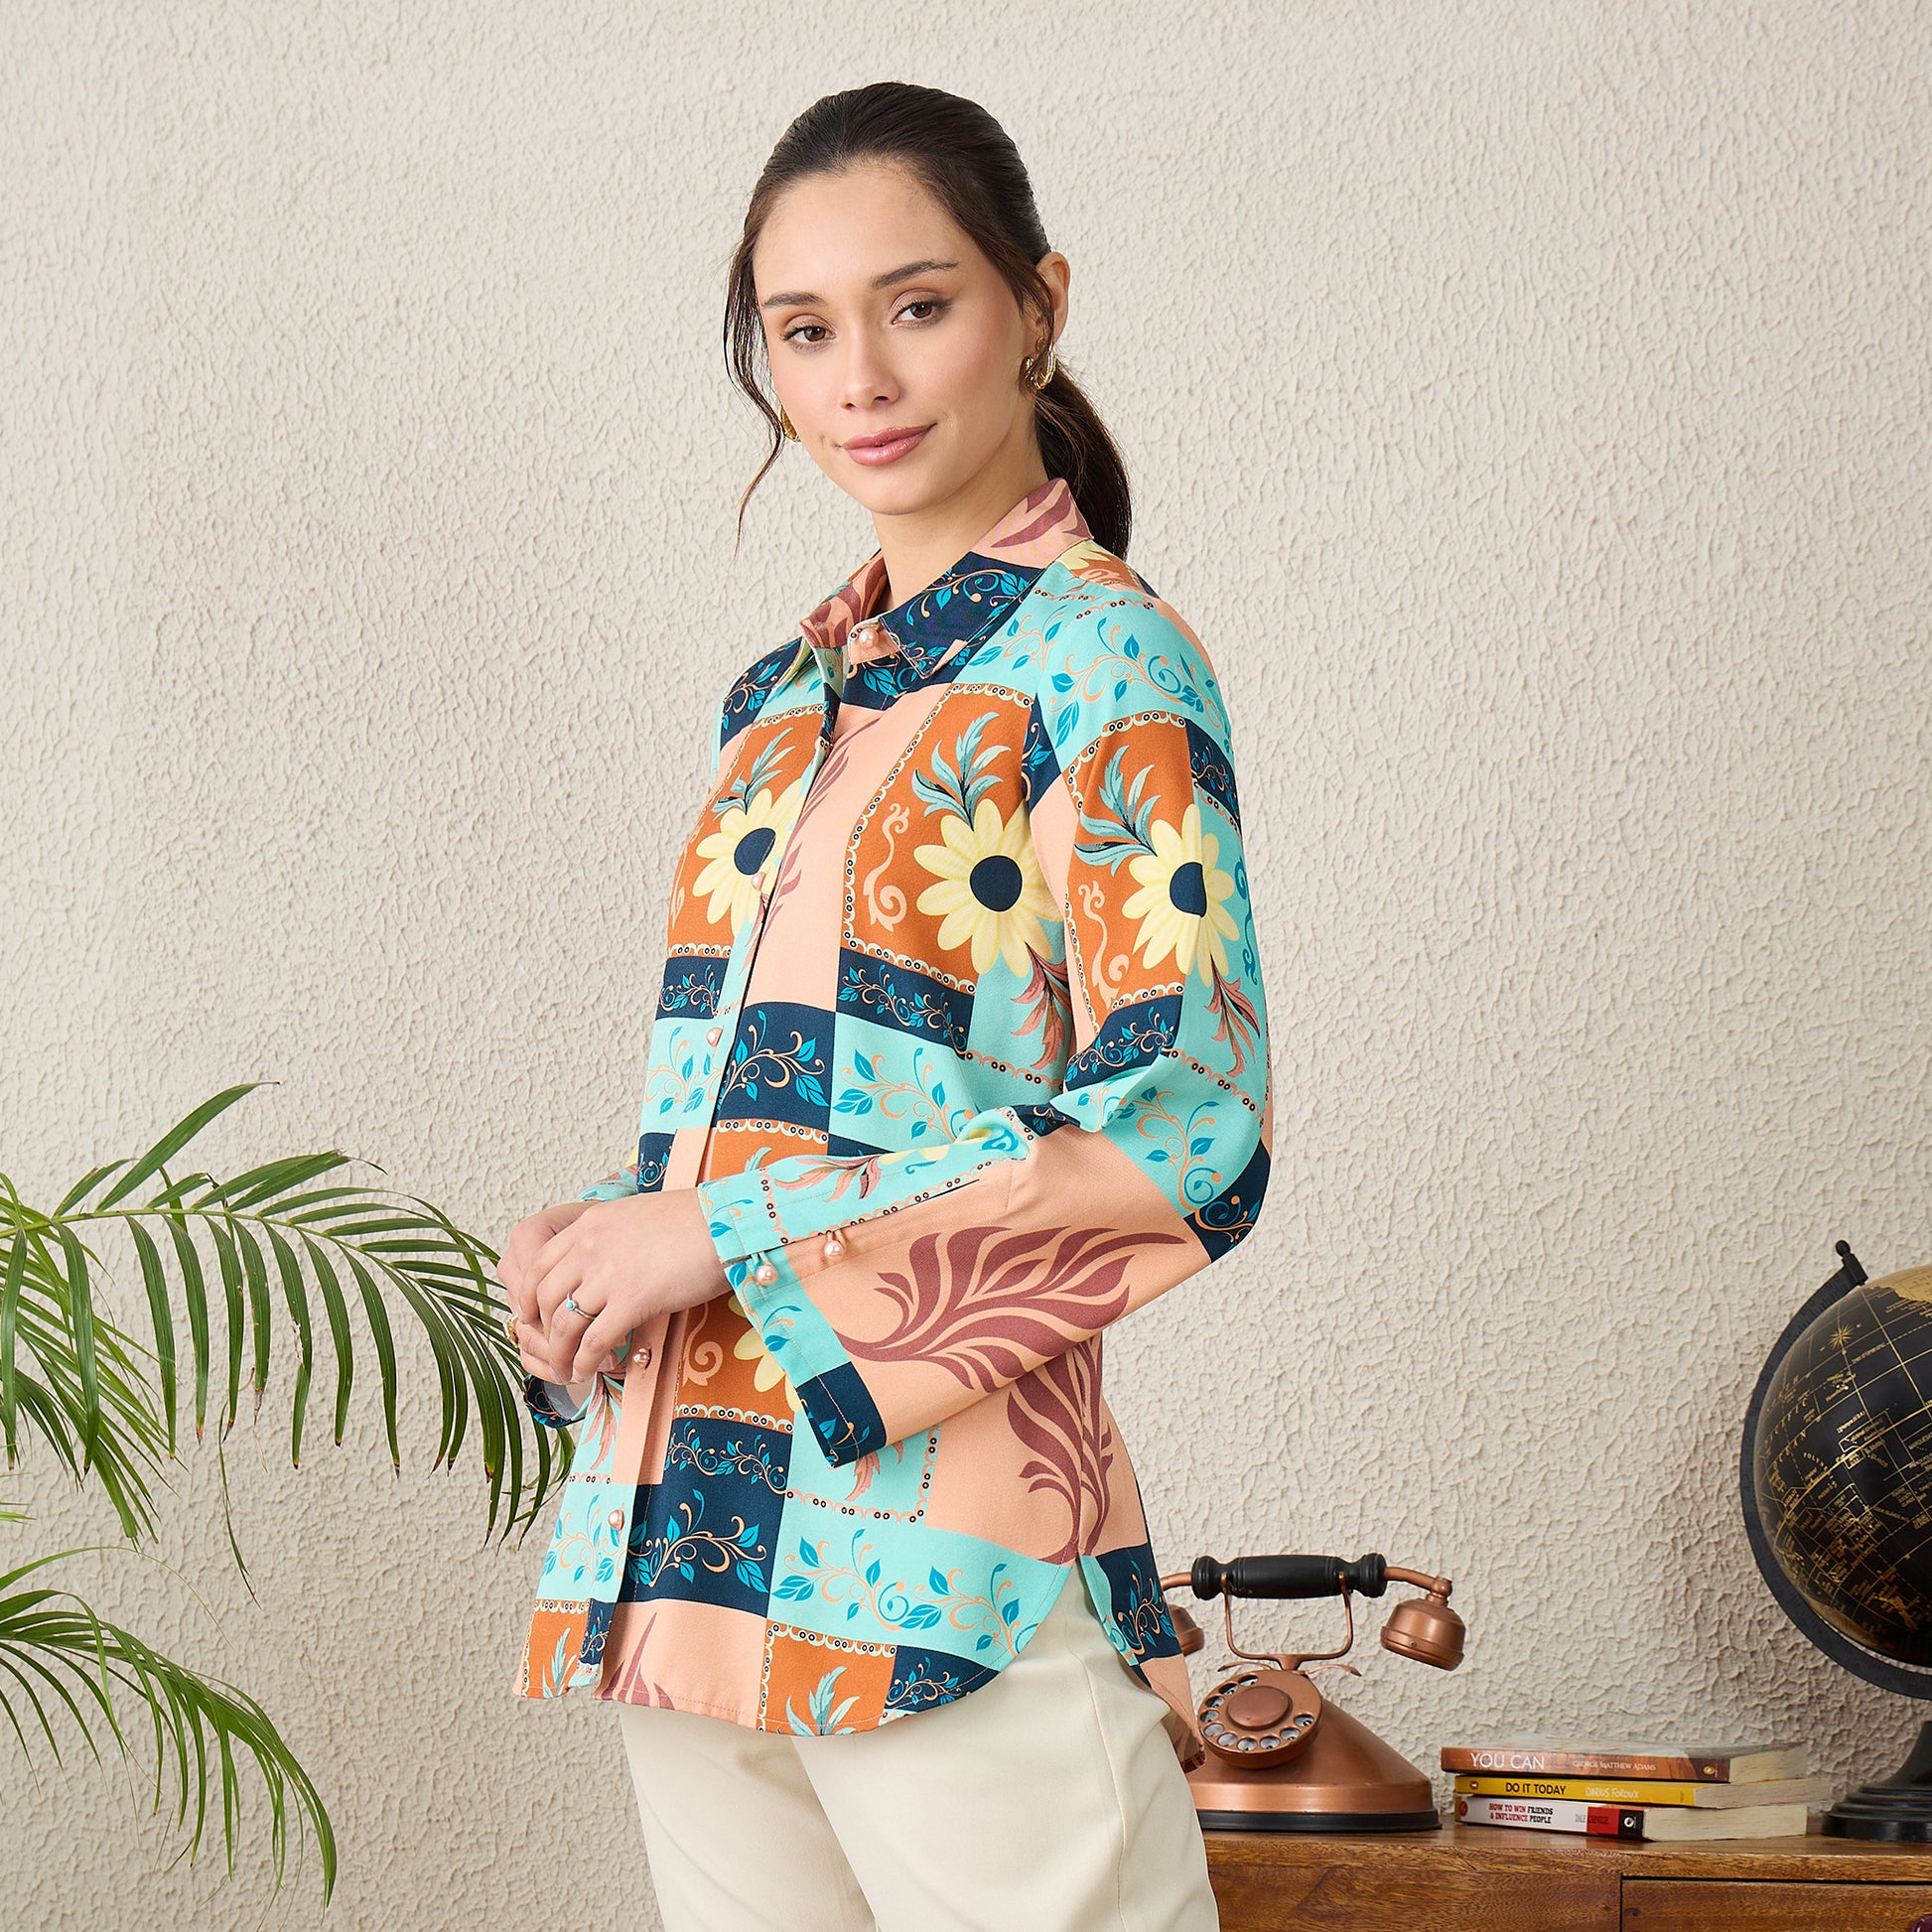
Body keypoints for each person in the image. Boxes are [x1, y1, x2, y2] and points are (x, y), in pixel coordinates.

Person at [496, 79, 1271, 1932]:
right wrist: (610, 1232)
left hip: (943, 1552)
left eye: (916, 306)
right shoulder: (778, 702)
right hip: (695, 1530)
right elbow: (809, 1096)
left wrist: (719, 1230)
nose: (860, 377)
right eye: (802, 329)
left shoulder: (1106, 662)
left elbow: (1187, 1124)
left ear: (1037, 305)